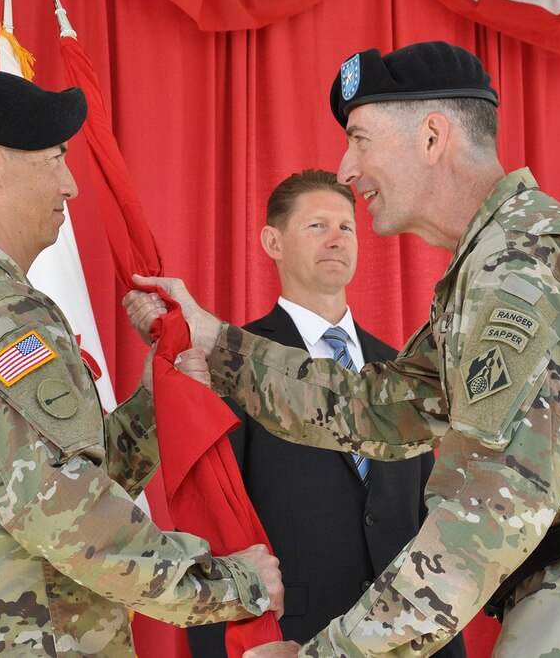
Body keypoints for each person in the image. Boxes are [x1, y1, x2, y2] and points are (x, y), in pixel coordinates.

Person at [125, 41, 560, 657]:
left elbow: (487, 511)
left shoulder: (519, 268)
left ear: (432, 138)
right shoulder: (500, 260)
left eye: (361, 139)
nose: (347, 169)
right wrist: (218, 345)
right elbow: (384, 407)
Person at [0, 69, 283, 656]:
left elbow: (30, 485)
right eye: (53, 158)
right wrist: (233, 584)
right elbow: (69, 519)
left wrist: (154, 403)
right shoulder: (3, 316)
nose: (70, 185)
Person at [185, 169, 465, 657]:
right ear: (272, 241)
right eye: (317, 226)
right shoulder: (232, 363)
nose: (336, 239)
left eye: (347, 227)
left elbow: (426, 514)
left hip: (408, 638)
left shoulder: (402, 368)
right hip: (291, 639)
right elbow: (212, 515)